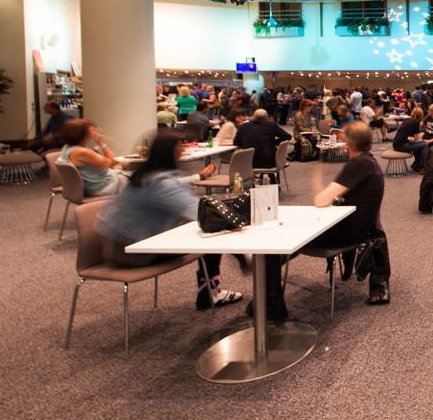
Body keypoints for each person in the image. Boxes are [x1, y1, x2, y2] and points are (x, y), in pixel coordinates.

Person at [256, 122, 387, 319]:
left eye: (343, 141)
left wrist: (318, 173)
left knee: (272, 245)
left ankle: (272, 304)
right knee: (284, 241)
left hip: (343, 234)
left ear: (350, 144)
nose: (341, 145)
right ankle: (269, 287)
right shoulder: (371, 162)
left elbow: (320, 201)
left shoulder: (357, 164)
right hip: (356, 230)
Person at [92, 130, 235, 309]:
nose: (183, 150)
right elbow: (197, 212)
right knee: (210, 234)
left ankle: (212, 289)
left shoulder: (147, 175)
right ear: (170, 150)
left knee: (201, 227)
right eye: (179, 145)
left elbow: (181, 197)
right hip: (133, 252)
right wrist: (232, 216)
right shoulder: (160, 183)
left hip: (119, 244)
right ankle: (210, 294)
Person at [57, 119, 127, 196]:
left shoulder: (67, 147)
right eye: (88, 128)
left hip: (94, 185)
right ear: (80, 133)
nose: (93, 129)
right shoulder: (81, 152)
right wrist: (100, 143)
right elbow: (111, 163)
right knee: (140, 180)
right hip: (104, 187)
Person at [393, 107, 428, 172]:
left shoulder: (406, 120)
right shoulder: (416, 122)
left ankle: (417, 163)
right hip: (401, 145)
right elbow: (416, 138)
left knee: (418, 144)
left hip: (396, 143)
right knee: (424, 145)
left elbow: (408, 135)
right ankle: (424, 166)